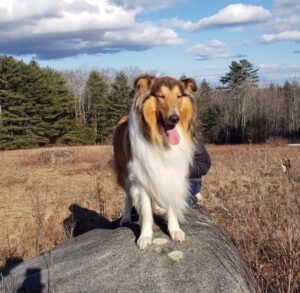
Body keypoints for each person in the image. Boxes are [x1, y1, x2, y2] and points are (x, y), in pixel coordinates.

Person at [188, 138, 211, 207]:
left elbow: (204, 165)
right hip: (167, 183)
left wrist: (186, 172)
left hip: (190, 181)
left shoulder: (193, 139)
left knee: (179, 204)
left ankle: (193, 198)